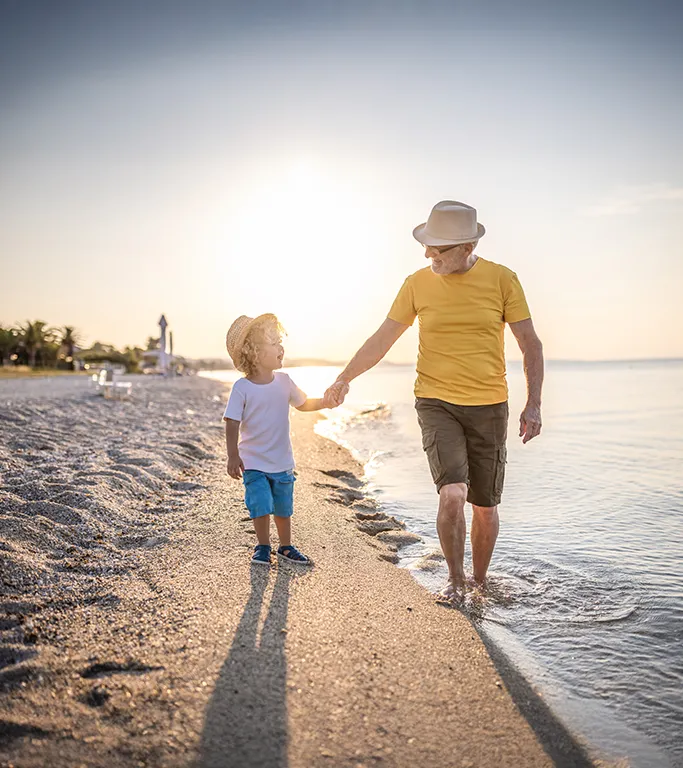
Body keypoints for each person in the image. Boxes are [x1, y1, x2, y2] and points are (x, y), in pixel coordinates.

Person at [325, 201, 544, 601]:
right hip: (435, 401)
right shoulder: (416, 284)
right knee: (452, 493)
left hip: (490, 405)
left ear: (466, 247)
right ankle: (456, 581)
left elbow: (530, 344)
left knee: (484, 505)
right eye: (427, 246)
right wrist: (344, 378)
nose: (428, 254)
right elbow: (382, 339)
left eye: (437, 248)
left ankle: (479, 581)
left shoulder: (502, 280)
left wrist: (534, 404)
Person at [224, 313, 337, 566]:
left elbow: (303, 404)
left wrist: (326, 402)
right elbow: (232, 421)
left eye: (280, 342)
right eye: (274, 344)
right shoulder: (242, 388)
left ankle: (285, 547)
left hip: (282, 460)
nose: (281, 348)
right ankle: (263, 546)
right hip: (253, 461)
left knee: (284, 508)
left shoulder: (284, 382)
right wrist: (233, 455)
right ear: (254, 352)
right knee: (261, 504)